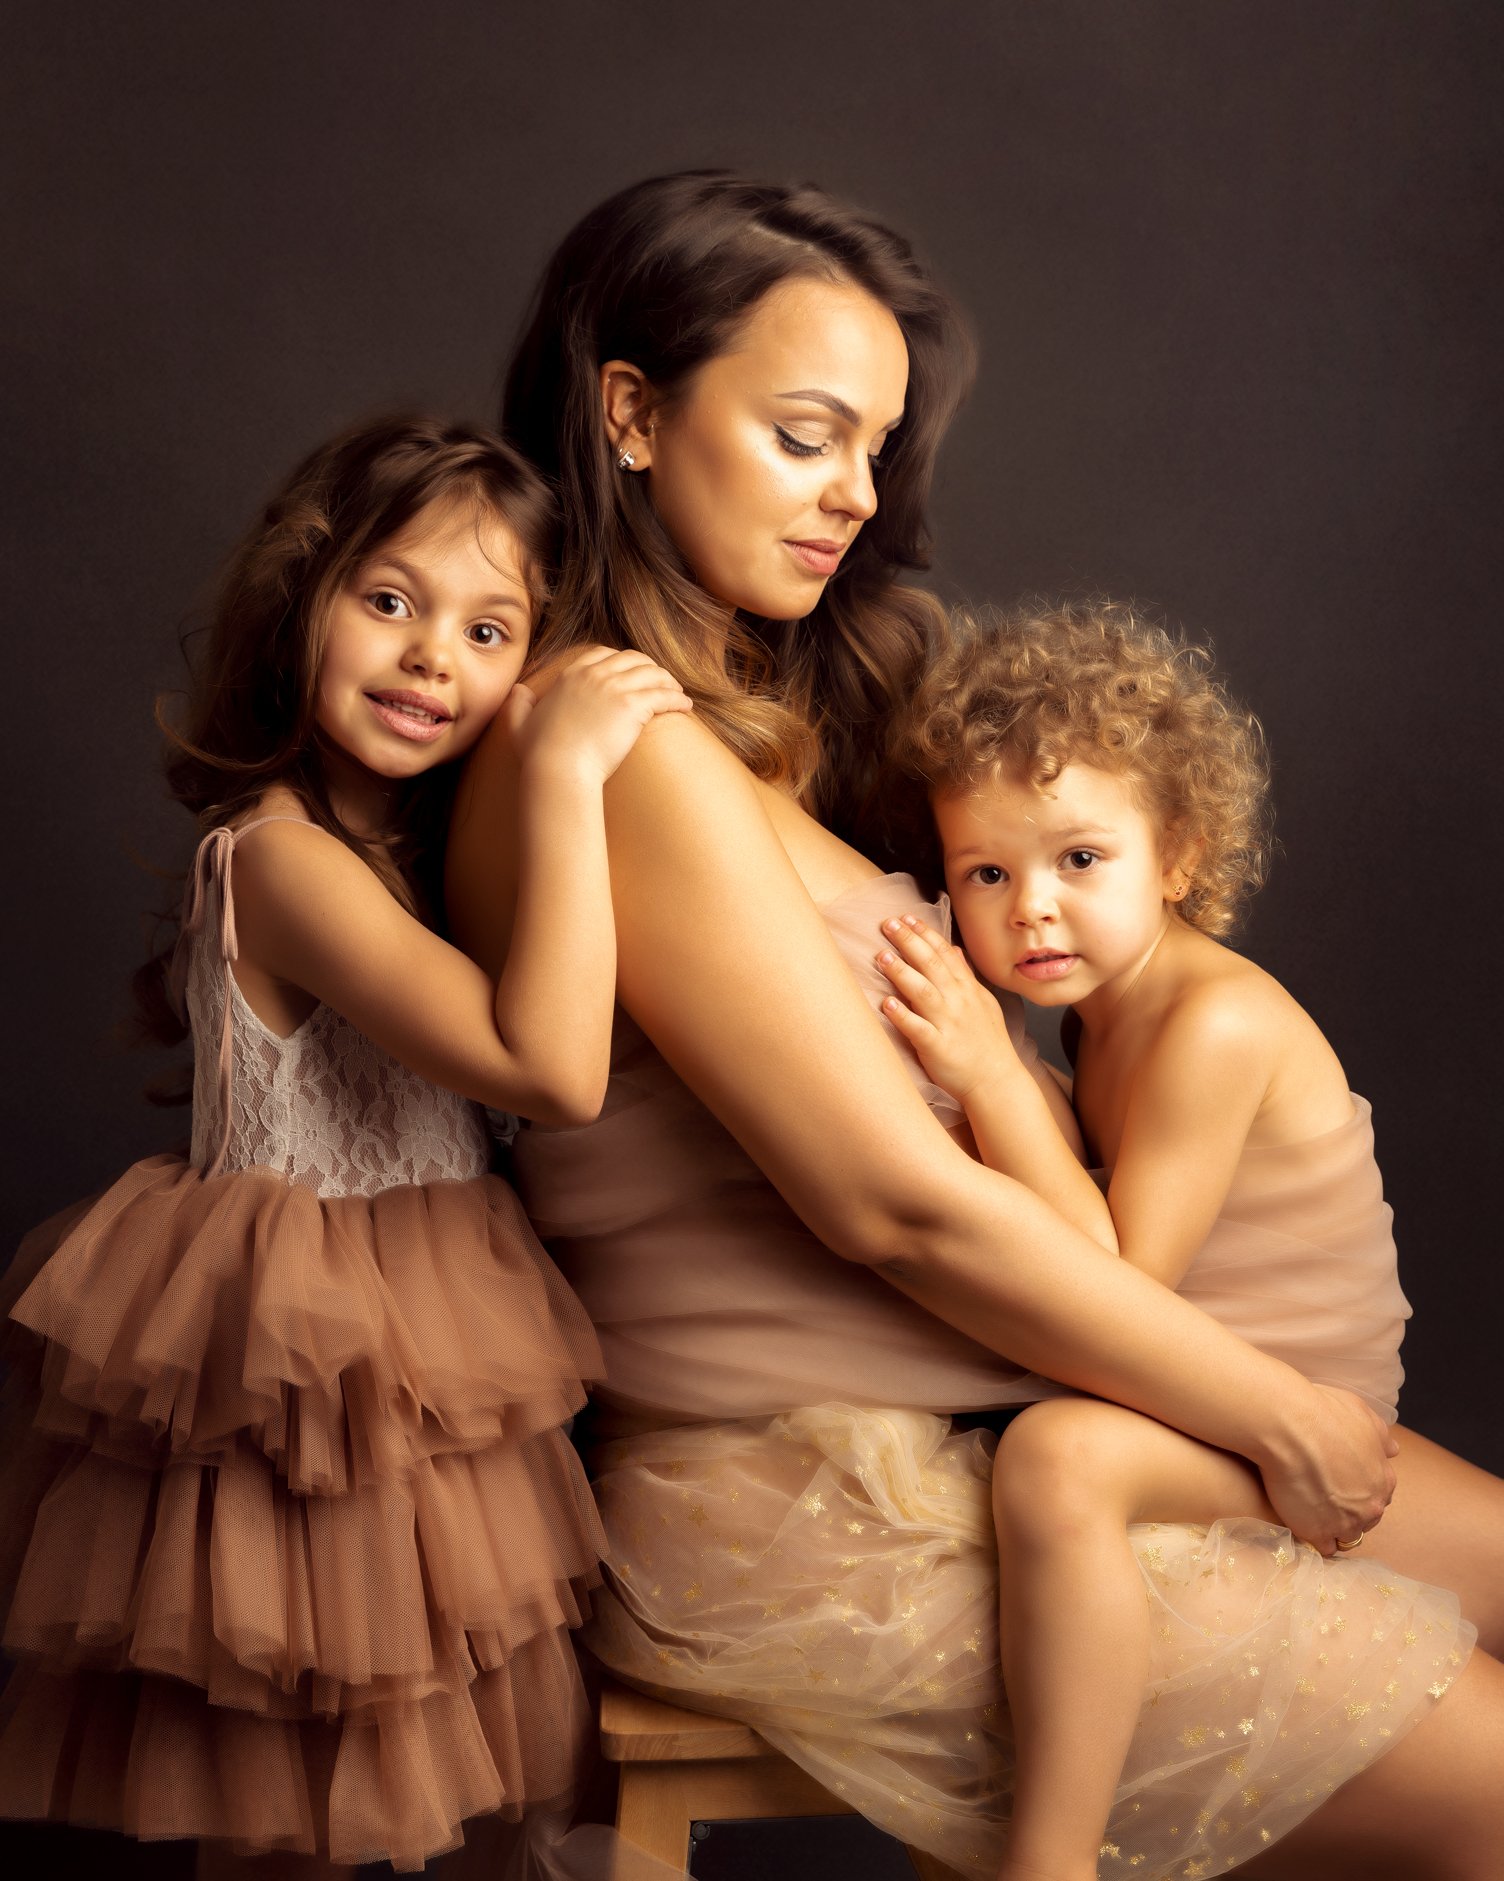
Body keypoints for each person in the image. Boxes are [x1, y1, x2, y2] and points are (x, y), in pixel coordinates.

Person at [446, 172, 1504, 1878]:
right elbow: (889, 1205)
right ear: (630, 414)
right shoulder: (619, 753)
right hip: (813, 1506)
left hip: (1002, 1432)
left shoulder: (736, 737)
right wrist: (1262, 1404)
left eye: (871, 448)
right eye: (803, 436)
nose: (853, 499)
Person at [0, 416, 691, 1873]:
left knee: (491, 1773)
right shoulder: (283, 855)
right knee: (288, 1788)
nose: (432, 655)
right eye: (390, 600)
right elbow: (547, 1068)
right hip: (299, 1369)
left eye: (489, 627)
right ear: (301, 598)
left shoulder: (418, 860)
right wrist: (565, 773)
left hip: (441, 1346)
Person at [880, 599, 1454, 1881]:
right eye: (987, 873)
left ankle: (1052, 1862)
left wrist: (993, 1075)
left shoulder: (1213, 1027)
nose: (1031, 909)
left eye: (1080, 860)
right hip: (1197, 1393)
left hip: (1302, 1409)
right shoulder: (1098, 1015)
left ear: (1178, 852)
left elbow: (1112, 1291)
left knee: (1061, 1459)